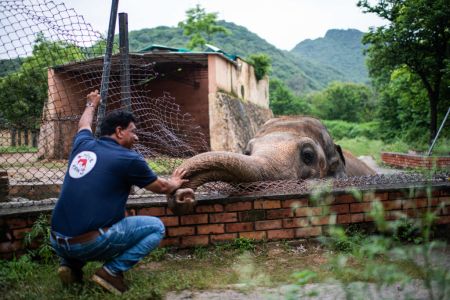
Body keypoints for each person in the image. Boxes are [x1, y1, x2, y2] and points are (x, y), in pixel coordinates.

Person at [50, 90, 188, 294]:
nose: (137, 137)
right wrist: (175, 181)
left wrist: (91, 104)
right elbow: (163, 188)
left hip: (57, 240)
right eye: (133, 131)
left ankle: (70, 265)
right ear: (119, 131)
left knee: (91, 220)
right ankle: (111, 272)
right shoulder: (128, 159)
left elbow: (84, 125)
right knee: (155, 228)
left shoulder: (83, 145)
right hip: (89, 243)